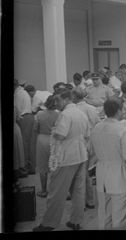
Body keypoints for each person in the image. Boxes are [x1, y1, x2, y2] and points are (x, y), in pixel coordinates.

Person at [33, 89, 90, 231]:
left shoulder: (65, 115)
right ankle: (76, 221)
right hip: (80, 155)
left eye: (58, 100)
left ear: (66, 100)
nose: (55, 103)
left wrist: (53, 132)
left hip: (66, 157)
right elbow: (87, 134)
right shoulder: (81, 113)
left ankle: (49, 223)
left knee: (56, 191)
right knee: (78, 191)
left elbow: (60, 135)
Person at [90, 99, 126, 229]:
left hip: (102, 172)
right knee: (120, 214)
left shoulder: (97, 127)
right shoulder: (121, 129)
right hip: (119, 174)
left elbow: (92, 151)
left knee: (104, 212)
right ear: (118, 111)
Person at [72, 88, 101, 209]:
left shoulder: (73, 110)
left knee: (79, 175)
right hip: (90, 143)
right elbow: (97, 124)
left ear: (74, 97)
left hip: (78, 144)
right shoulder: (91, 109)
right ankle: (90, 200)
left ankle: (82, 202)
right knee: (86, 173)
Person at [34, 95, 59, 198]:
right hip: (54, 139)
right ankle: (55, 190)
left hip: (42, 139)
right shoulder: (58, 115)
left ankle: (44, 190)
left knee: (42, 166)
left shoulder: (39, 114)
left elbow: (35, 129)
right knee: (55, 165)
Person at [14, 79, 36, 174]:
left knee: (24, 145)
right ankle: (30, 167)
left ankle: (25, 168)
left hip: (24, 118)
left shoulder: (18, 94)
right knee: (29, 144)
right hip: (28, 117)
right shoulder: (22, 92)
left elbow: (16, 111)